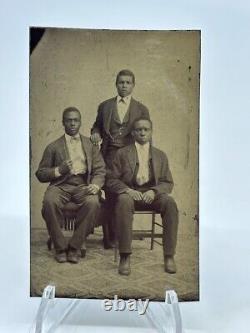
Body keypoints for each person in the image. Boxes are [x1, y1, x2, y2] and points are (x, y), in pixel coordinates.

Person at [106, 117, 179, 275]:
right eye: (139, 129)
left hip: (152, 195)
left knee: (170, 203)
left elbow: (168, 182)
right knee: (123, 201)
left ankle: (169, 256)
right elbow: (111, 180)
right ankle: (125, 256)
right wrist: (128, 190)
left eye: (146, 129)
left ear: (151, 132)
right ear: (133, 133)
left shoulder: (160, 155)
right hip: (130, 193)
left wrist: (154, 191)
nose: (143, 132)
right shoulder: (122, 153)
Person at [36, 107, 106, 264]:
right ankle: (60, 248)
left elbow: (100, 169)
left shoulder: (90, 145)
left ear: (80, 122)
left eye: (76, 120)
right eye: (69, 120)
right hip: (61, 185)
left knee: (93, 202)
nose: (72, 123)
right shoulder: (53, 146)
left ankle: (74, 247)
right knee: (49, 201)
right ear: (63, 123)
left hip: (83, 184)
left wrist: (95, 185)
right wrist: (58, 170)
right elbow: (40, 173)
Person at [90, 69, 150, 247]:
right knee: (110, 195)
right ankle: (109, 238)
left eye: (128, 82)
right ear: (116, 84)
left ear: (133, 85)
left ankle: (122, 237)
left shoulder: (141, 109)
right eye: (121, 82)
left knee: (124, 195)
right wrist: (94, 133)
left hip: (130, 159)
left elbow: (146, 135)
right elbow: (97, 126)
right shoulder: (105, 106)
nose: (124, 85)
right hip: (108, 155)